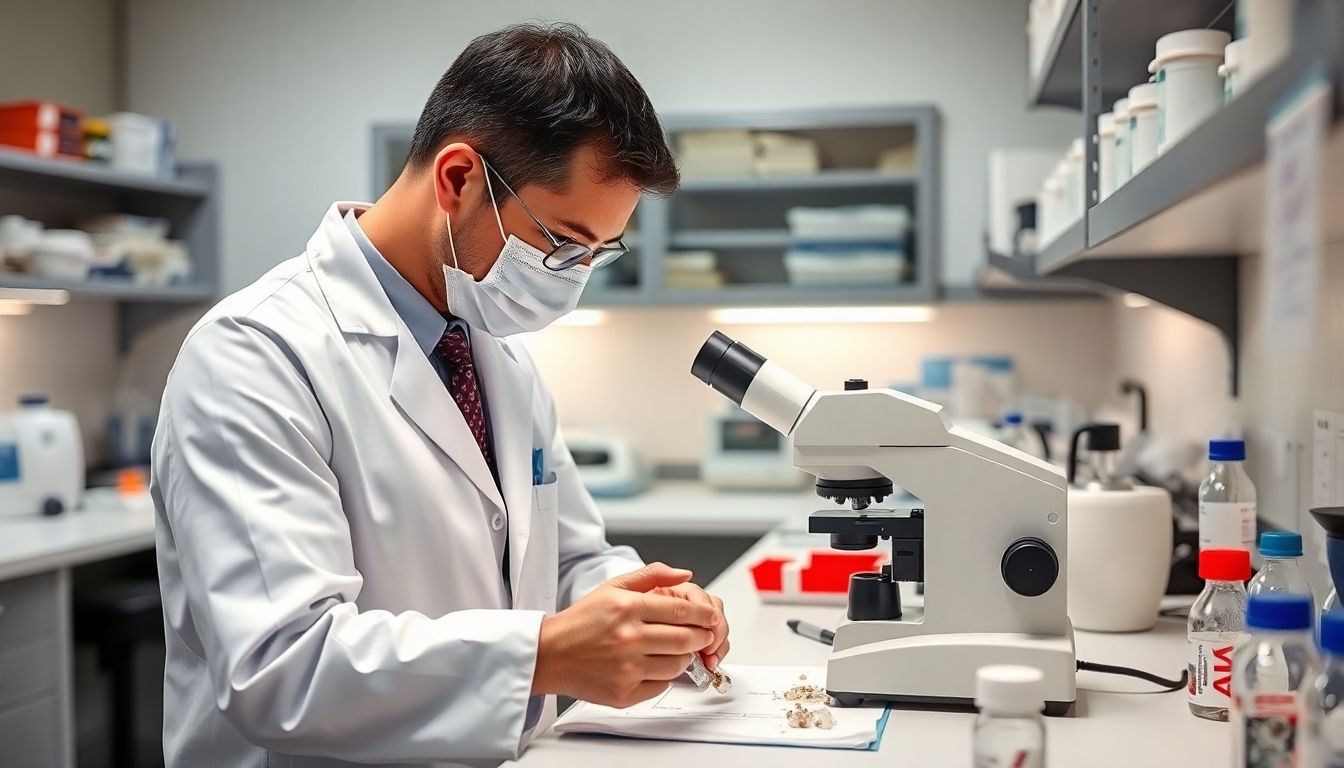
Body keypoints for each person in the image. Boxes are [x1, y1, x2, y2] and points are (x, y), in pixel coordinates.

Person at [151, 22, 729, 767]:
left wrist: (648, 609)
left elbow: (568, 560)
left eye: (595, 253)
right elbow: (281, 668)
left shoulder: (493, 348)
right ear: (458, 179)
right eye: (561, 243)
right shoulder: (256, 354)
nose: (573, 278)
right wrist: (544, 655)